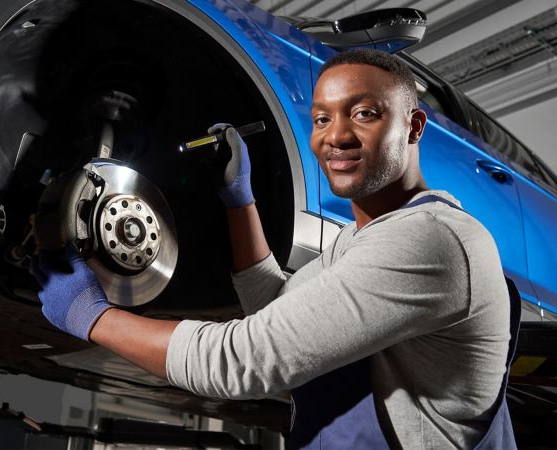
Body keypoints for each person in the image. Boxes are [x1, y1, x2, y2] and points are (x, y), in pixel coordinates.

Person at [31, 49, 518, 449]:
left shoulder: (430, 239)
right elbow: (277, 313)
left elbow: (246, 360)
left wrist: (91, 316)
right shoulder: (359, 241)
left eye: (364, 113)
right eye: (322, 118)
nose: (337, 136)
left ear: (413, 127)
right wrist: (239, 199)